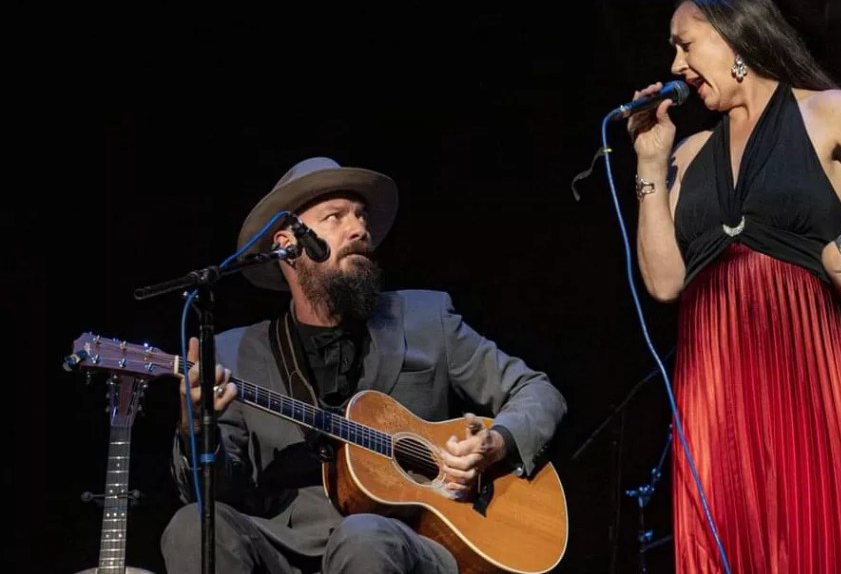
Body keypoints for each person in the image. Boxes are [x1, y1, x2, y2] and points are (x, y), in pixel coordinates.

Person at [628, 0, 841, 574]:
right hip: (713, 384)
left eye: (685, 44)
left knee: (816, 530)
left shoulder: (826, 113)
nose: (675, 63)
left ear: (735, 35)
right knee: (729, 539)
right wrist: (651, 164)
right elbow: (664, 282)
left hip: (801, 365)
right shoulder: (688, 152)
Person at [160, 156, 567, 573]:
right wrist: (197, 428)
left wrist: (496, 442)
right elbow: (214, 492)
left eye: (360, 216)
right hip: (287, 545)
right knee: (193, 524)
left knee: (364, 535)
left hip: (409, 540)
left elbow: (538, 392)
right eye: (335, 217)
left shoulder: (426, 319)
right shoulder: (234, 354)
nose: (359, 230)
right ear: (286, 245)